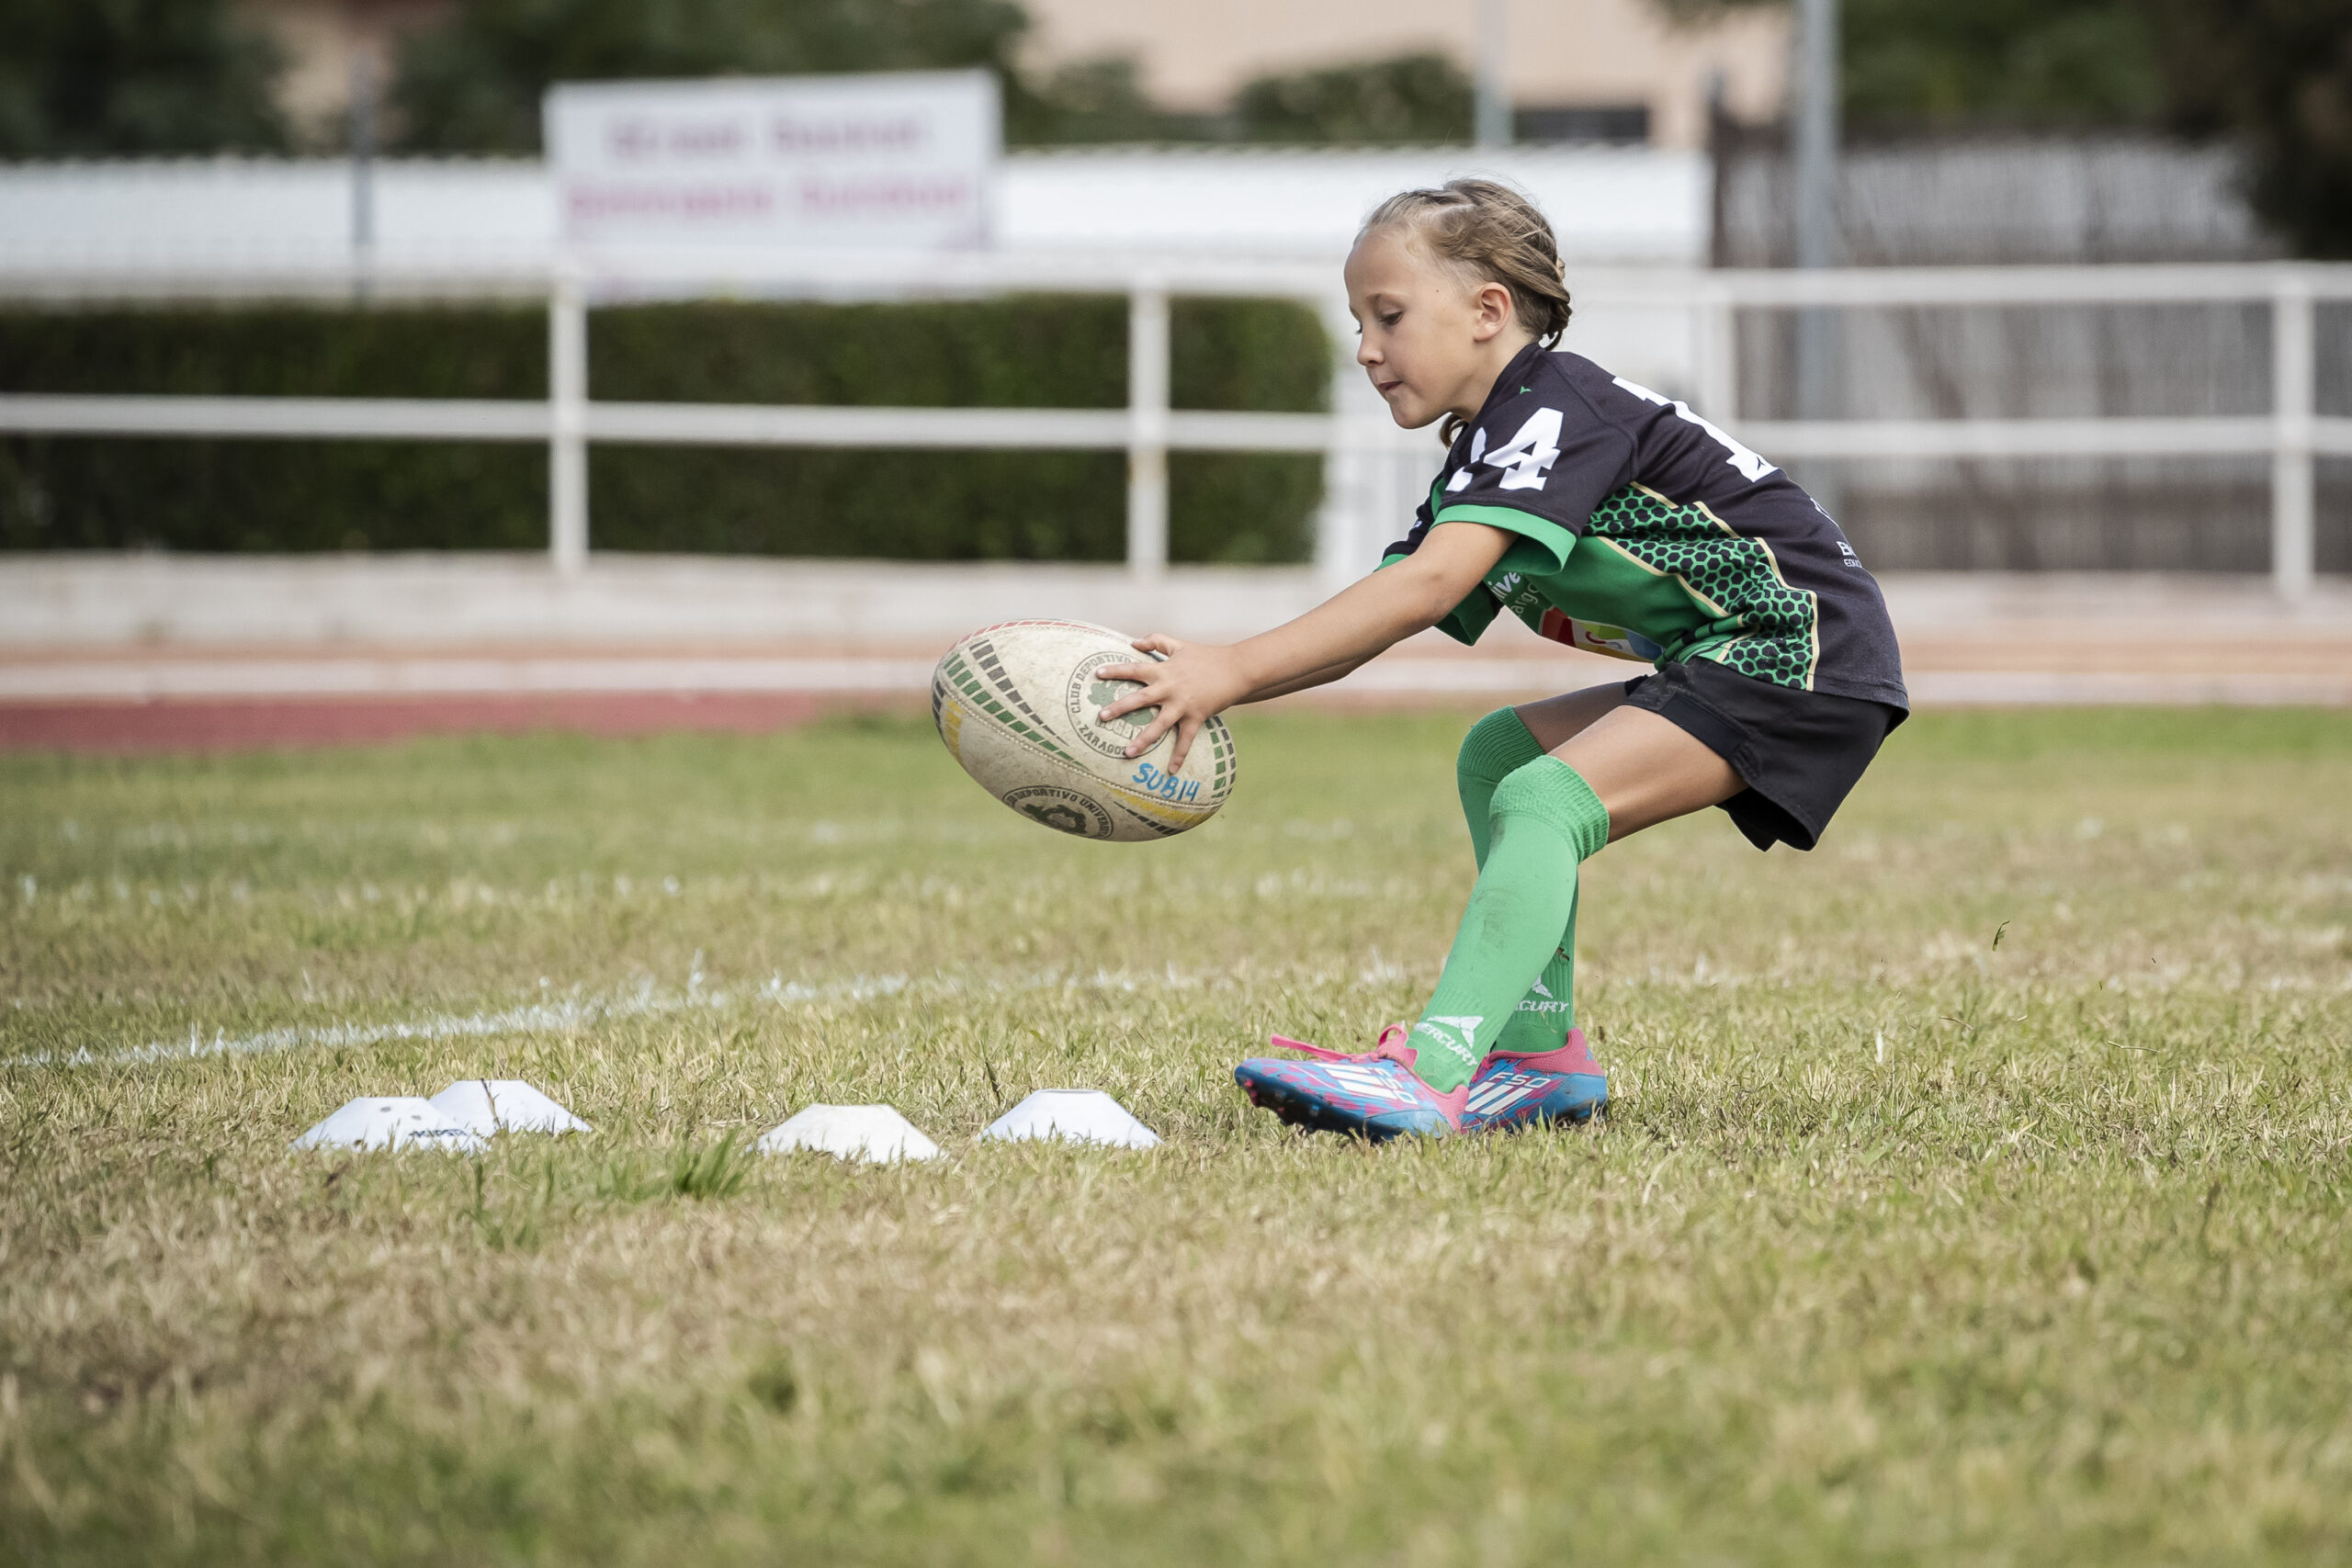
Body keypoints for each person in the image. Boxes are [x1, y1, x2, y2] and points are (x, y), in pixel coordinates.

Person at [1095, 178, 1908, 1140]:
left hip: (1793, 651)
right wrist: (1233, 681)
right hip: (1748, 650)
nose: (1365, 349)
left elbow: (1426, 588)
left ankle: (1437, 1070)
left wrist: (1226, 668)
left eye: (1387, 316)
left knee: (1543, 799)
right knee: (1502, 757)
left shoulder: (1552, 411)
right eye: (1357, 321)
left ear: (1488, 312)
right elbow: (1387, 606)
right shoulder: (1494, 446)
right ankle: (1537, 1058)